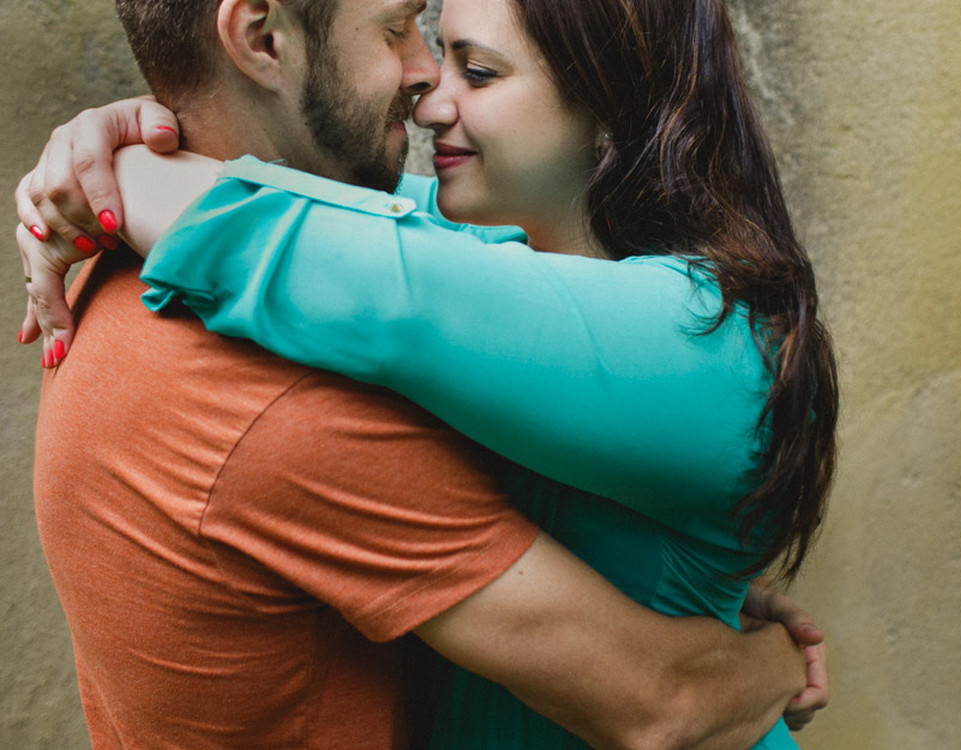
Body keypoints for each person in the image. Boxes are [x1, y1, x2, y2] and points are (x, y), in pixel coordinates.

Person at [12, 1, 829, 749]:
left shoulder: (708, 335)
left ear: (608, 106)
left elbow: (373, 281)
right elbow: (352, 226)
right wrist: (118, 140)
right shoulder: (479, 241)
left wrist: (132, 175)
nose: (432, 93)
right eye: (413, 36)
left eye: (479, 71)